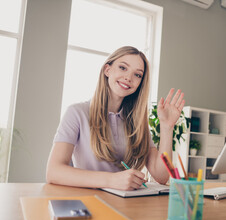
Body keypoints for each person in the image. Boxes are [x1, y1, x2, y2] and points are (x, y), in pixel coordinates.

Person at [46, 46, 185, 191]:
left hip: (124, 203)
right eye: (123, 68)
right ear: (107, 70)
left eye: (137, 75)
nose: (128, 77)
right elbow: (53, 171)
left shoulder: (137, 123)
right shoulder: (76, 112)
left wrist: (167, 127)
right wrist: (111, 180)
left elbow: (162, 176)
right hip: (87, 202)